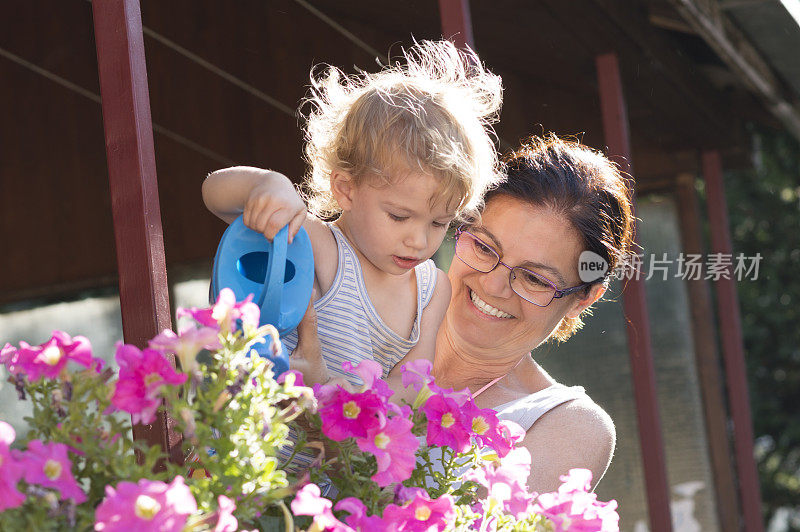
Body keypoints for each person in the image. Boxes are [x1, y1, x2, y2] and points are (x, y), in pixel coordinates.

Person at [291, 134, 634, 493]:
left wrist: (319, 406)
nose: (492, 286)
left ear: (583, 299)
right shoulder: (352, 304)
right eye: (484, 248)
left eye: (534, 279)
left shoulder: (568, 425)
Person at [202, 40, 503, 395]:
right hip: (264, 447)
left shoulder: (432, 290)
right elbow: (215, 196)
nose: (420, 241)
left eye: (439, 223)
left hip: (343, 451)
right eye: (399, 216)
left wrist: (332, 389)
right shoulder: (316, 243)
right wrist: (268, 185)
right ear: (346, 189)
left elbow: (414, 386)